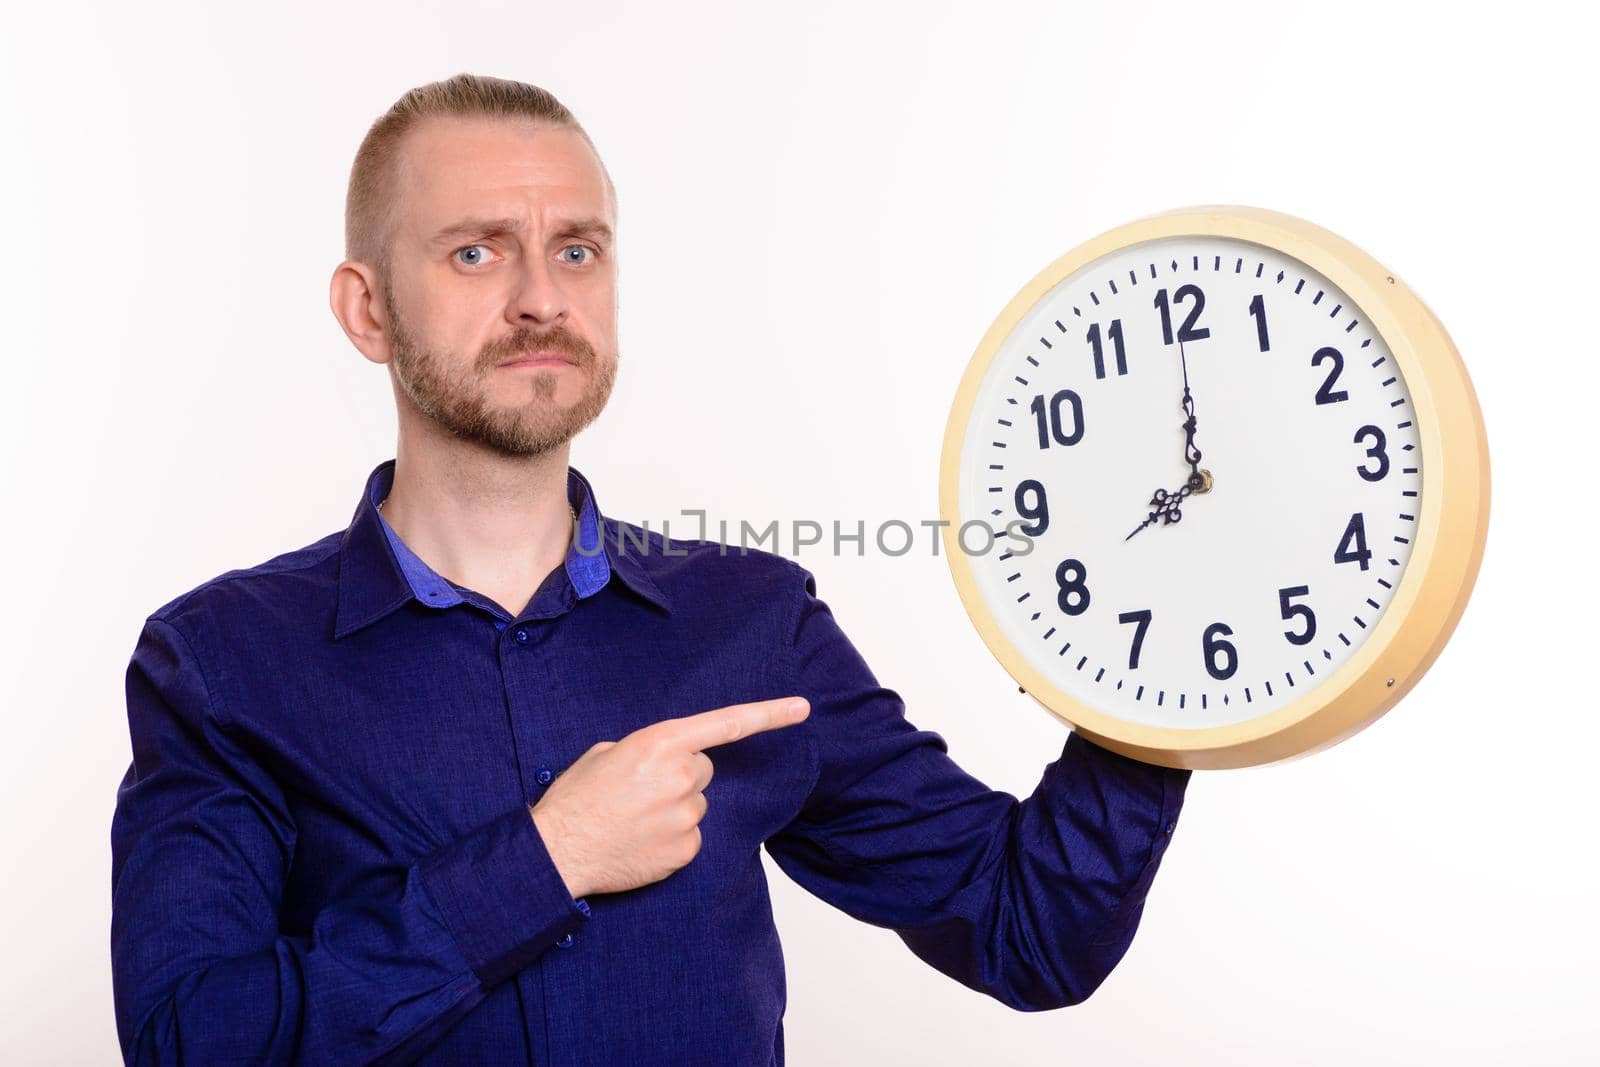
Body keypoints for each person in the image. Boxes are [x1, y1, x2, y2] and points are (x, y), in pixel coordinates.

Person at [109, 73, 1192, 1065]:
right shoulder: (222, 661)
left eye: (576, 249)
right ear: (368, 308)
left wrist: (1158, 660)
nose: (542, 297)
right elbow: (188, 1040)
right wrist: (542, 860)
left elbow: (1025, 928)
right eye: (476, 251)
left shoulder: (751, 622)